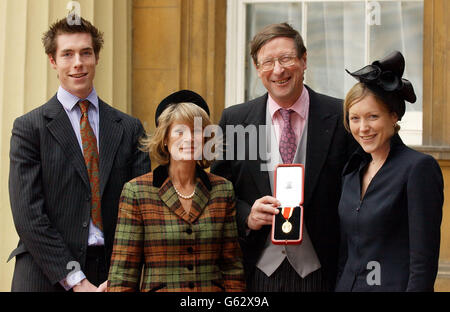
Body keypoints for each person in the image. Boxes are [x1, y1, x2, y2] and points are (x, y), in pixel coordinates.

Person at [8, 17, 151, 292]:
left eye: (86, 52)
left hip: (110, 277)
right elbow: (28, 215)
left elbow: (140, 211)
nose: (78, 63)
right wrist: (76, 280)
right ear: (52, 60)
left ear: (96, 57)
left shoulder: (130, 128)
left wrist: (122, 274)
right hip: (45, 274)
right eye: (67, 54)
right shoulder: (29, 128)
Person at [211, 23, 356, 291]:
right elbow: (218, 190)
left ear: (304, 61)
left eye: (287, 58)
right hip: (257, 269)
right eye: (268, 62)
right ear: (257, 69)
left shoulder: (341, 117)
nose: (278, 70)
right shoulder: (235, 120)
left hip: (323, 269)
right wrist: (246, 216)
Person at [107, 90, 246, 292]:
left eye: (196, 131)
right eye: (179, 132)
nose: (189, 139)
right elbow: (123, 274)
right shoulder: (137, 192)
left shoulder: (222, 190)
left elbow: (232, 267)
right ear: (165, 139)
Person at [335, 51, 443, 292]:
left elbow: (423, 262)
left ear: (393, 116)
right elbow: (346, 253)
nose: (363, 128)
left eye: (372, 117)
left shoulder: (418, 169)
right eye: (354, 118)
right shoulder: (352, 171)